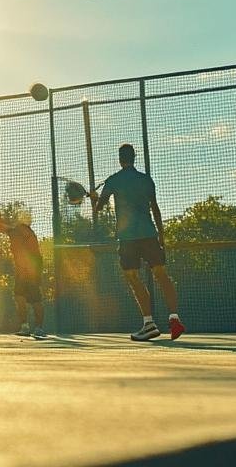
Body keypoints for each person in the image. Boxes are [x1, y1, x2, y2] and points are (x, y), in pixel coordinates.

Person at [95, 143, 184, 341]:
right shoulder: (146, 180)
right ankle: (174, 318)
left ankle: (149, 323)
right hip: (149, 234)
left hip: (128, 238)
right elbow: (156, 209)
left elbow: (99, 208)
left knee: (133, 277)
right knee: (161, 275)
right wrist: (162, 236)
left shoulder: (113, 180)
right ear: (134, 157)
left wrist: (94, 198)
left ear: (119, 159)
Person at [0, 187, 46, 338]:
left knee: (32, 298)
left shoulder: (19, 231)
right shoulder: (25, 231)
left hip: (29, 270)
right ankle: (28, 327)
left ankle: (37, 327)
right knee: (22, 297)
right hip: (26, 270)